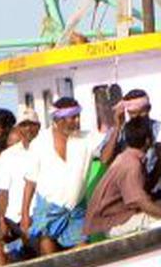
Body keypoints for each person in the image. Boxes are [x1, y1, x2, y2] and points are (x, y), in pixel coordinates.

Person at [21, 97, 102, 255]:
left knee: (83, 250)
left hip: (76, 208)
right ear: (59, 119)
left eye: (78, 116)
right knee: (48, 252)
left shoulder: (87, 137)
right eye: (73, 117)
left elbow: (105, 155)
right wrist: (25, 215)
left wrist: (118, 127)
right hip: (48, 209)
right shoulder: (40, 143)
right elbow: (30, 182)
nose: (77, 121)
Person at [84, 117, 161, 238]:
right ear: (148, 140)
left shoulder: (127, 157)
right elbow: (140, 201)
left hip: (117, 217)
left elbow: (145, 188)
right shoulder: (132, 164)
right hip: (113, 223)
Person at [0, 106, 41, 246]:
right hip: (13, 218)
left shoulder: (46, 149)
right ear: (18, 128)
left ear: (38, 126)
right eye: (24, 125)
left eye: (31, 124)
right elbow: (3, 191)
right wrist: (1, 220)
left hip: (39, 215)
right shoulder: (7, 155)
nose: (28, 129)